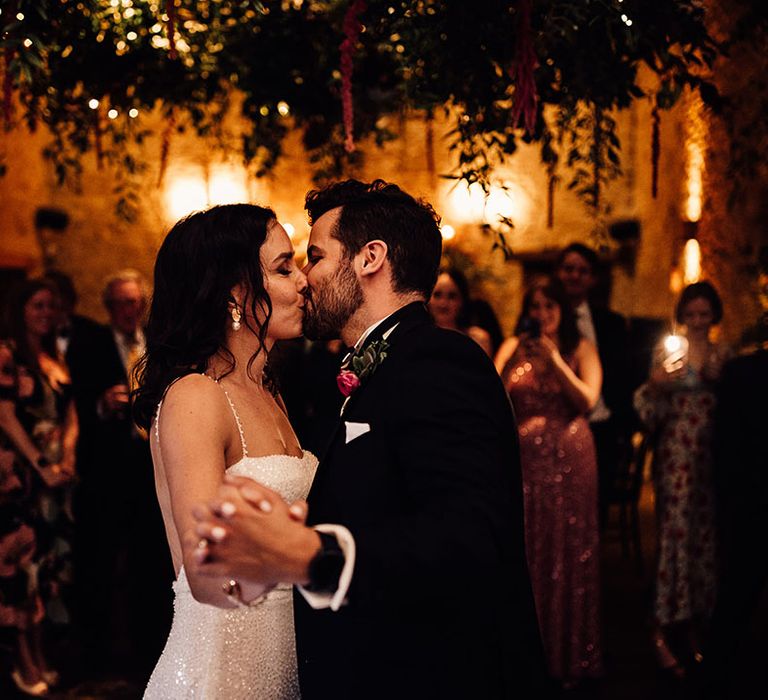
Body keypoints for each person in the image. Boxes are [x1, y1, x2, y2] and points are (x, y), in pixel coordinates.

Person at [191, 179, 548, 699]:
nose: (305, 279)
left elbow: (472, 535)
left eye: (314, 256)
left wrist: (316, 555)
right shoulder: (365, 369)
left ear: (370, 258)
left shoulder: (440, 360)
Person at [135, 204, 315, 698]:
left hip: (280, 664)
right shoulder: (195, 395)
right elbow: (207, 572)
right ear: (236, 291)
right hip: (220, 672)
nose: (302, 281)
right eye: (283, 268)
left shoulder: (266, 390)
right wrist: (306, 563)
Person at [494, 275, 603, 686]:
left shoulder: (581, 349)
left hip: (569, 456)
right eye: (535, 307)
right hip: (523, 461)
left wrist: (556, 360)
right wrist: (511, 358)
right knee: (527, 547)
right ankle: (525, 654)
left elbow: (588, 401)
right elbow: (491, 392)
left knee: (568, 549)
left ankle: (569, 656)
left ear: (562, 312)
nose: (541, 315)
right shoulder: (512, 345)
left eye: (549, 308)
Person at [633, 281, 730, 677]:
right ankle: (661, 625)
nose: (696, 323)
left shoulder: (723, 355)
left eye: (703, 315)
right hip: (677, 453)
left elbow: (738, 410)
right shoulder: (667, 354)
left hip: (711, 455)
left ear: (713, 317)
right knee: (673, 536)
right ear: (682, 316)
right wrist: (659, 386)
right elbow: (646, 407)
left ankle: (694, 623)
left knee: (703, 539)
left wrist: (721, 381)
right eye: (690, 315)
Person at [0, 279, 78, 696]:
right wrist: (43, 465)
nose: (46, 312)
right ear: (21, 308)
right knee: (22, 571)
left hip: (54, 478)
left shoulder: (54, 356)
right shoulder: (7, 353)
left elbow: (71, 415)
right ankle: (22, 662)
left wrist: (67, 457)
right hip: (22, 478)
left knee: (44, 569)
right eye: (38, 305)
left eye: (52, 306)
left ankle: (40, 656)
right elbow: (6, 417)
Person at [556, 243, 632, 528]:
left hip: (601, 428)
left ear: (593, 279)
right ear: (558, 273)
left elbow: (624, 377)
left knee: (594, 510)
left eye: (582, 270)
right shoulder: (545, 318)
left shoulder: (611, 324)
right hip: (558, 427)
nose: (574, 275)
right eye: (568, 269)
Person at [428, 267, 494, 356]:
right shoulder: (416, 337)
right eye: (437, 295)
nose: (443, 303)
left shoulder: (477, 339)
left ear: (462, 300)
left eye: (452, 296)